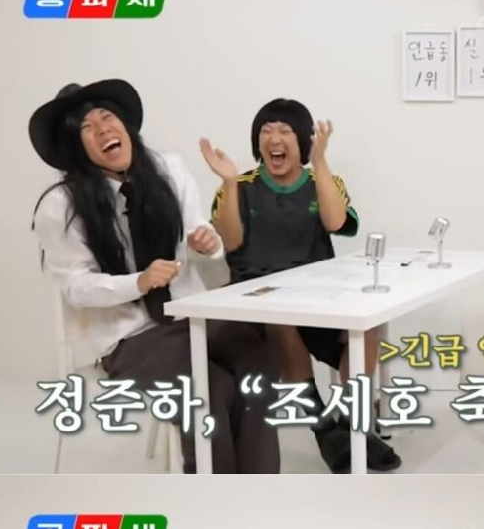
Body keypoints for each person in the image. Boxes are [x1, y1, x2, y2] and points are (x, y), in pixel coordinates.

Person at [31, 79, 280, 473]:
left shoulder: (168, 169)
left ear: (125, 125)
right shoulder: (60, 205)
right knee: (209, 392)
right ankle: (217, 498)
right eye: (87, 129)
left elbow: (204, 237)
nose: (103, 130)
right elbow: (76, 286)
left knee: (258, 363)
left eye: (108, 118)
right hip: (131, 336)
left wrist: (207, 243)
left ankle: (260, 490)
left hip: (191, 314)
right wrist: (138, 282)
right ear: (76, 148)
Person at [202, 98, 399, 473]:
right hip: (255, 302)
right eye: (266, 131)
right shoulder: (238, 186)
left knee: (367, 326)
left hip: (318, 296)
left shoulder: (323, 181)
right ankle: (323, 427)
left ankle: (349, 424)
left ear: (303, 142)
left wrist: (319, 161)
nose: (274, 139)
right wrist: (227, 181)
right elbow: (230, 241)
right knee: (280, 319)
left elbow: (336, 221)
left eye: (285, 131)